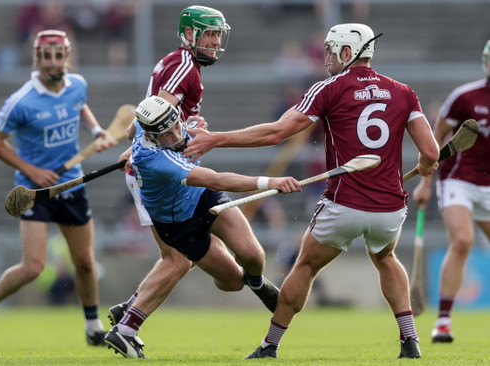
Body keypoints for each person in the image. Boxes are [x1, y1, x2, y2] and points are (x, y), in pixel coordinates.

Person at [183, 23, 440, 359]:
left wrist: (217, 138)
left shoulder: (328, 89)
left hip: (343, 205)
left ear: (348, 53)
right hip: (389, 209)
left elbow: (276, 134)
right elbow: (432, 153)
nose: (328, 58)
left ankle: (270, 345)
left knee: (304, 265)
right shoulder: (404, 92)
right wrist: (425, 164)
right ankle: (410, 342)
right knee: (385, 258)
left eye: (332, 51)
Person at [104, 96, 302, 358]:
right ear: (152, 136)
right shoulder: (157, 159)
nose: (177, 135)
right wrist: (269, 183)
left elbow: (133, 129)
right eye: (167, 133)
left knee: (253, 255)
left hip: (201, 197)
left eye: (177, 126)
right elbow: (217, 179)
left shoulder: (149, 125)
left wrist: (135, 146)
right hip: (177, 223)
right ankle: (128, 325)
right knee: (231, 282)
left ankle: (257, 283)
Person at [0, 29, 116, 348]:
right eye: (47, 56)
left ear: (67, 57)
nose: (53, 63)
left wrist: (97, 129)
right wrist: (31, 170)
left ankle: (92, 325)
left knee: (84, 261)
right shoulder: (20, 101)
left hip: (71, 182)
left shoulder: (78, 85)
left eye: (59, 55)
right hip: (35, 190)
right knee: (33, 267)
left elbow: (80, 105)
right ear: (37, 58)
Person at [106, 5, 235, 329]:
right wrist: (134, 148)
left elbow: (148, 123)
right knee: (177, 258)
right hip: (157, 175)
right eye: (209, 34)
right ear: (190, 34)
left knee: (183, 252)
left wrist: (189, 126)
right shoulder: (184, 67)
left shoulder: (180, 63)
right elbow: (148, 122)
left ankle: (132, 306)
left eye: (218, 34)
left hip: (159, 168)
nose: (215, 41)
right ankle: (128, 324)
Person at [413, 39, 490, 344]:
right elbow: (435, 138)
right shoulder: (465, 97)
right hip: (459, 179)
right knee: (462, 240)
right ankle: (443, 321)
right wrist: (426, 181)